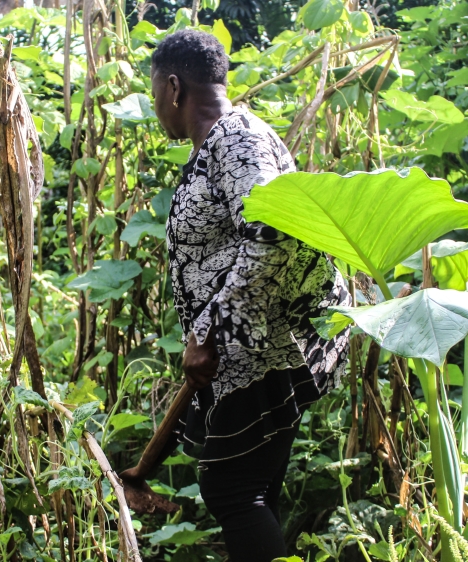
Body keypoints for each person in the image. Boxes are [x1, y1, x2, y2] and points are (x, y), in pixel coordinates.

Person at [130, 29, 351, 561]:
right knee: (254, 487)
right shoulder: (224, 141)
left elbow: (272, 231)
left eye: (156, 90)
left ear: (175, 87)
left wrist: (211, 330)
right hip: (249, 349)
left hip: (262, 349)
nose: (157, 103)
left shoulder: (236, 139)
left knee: (230, 489)